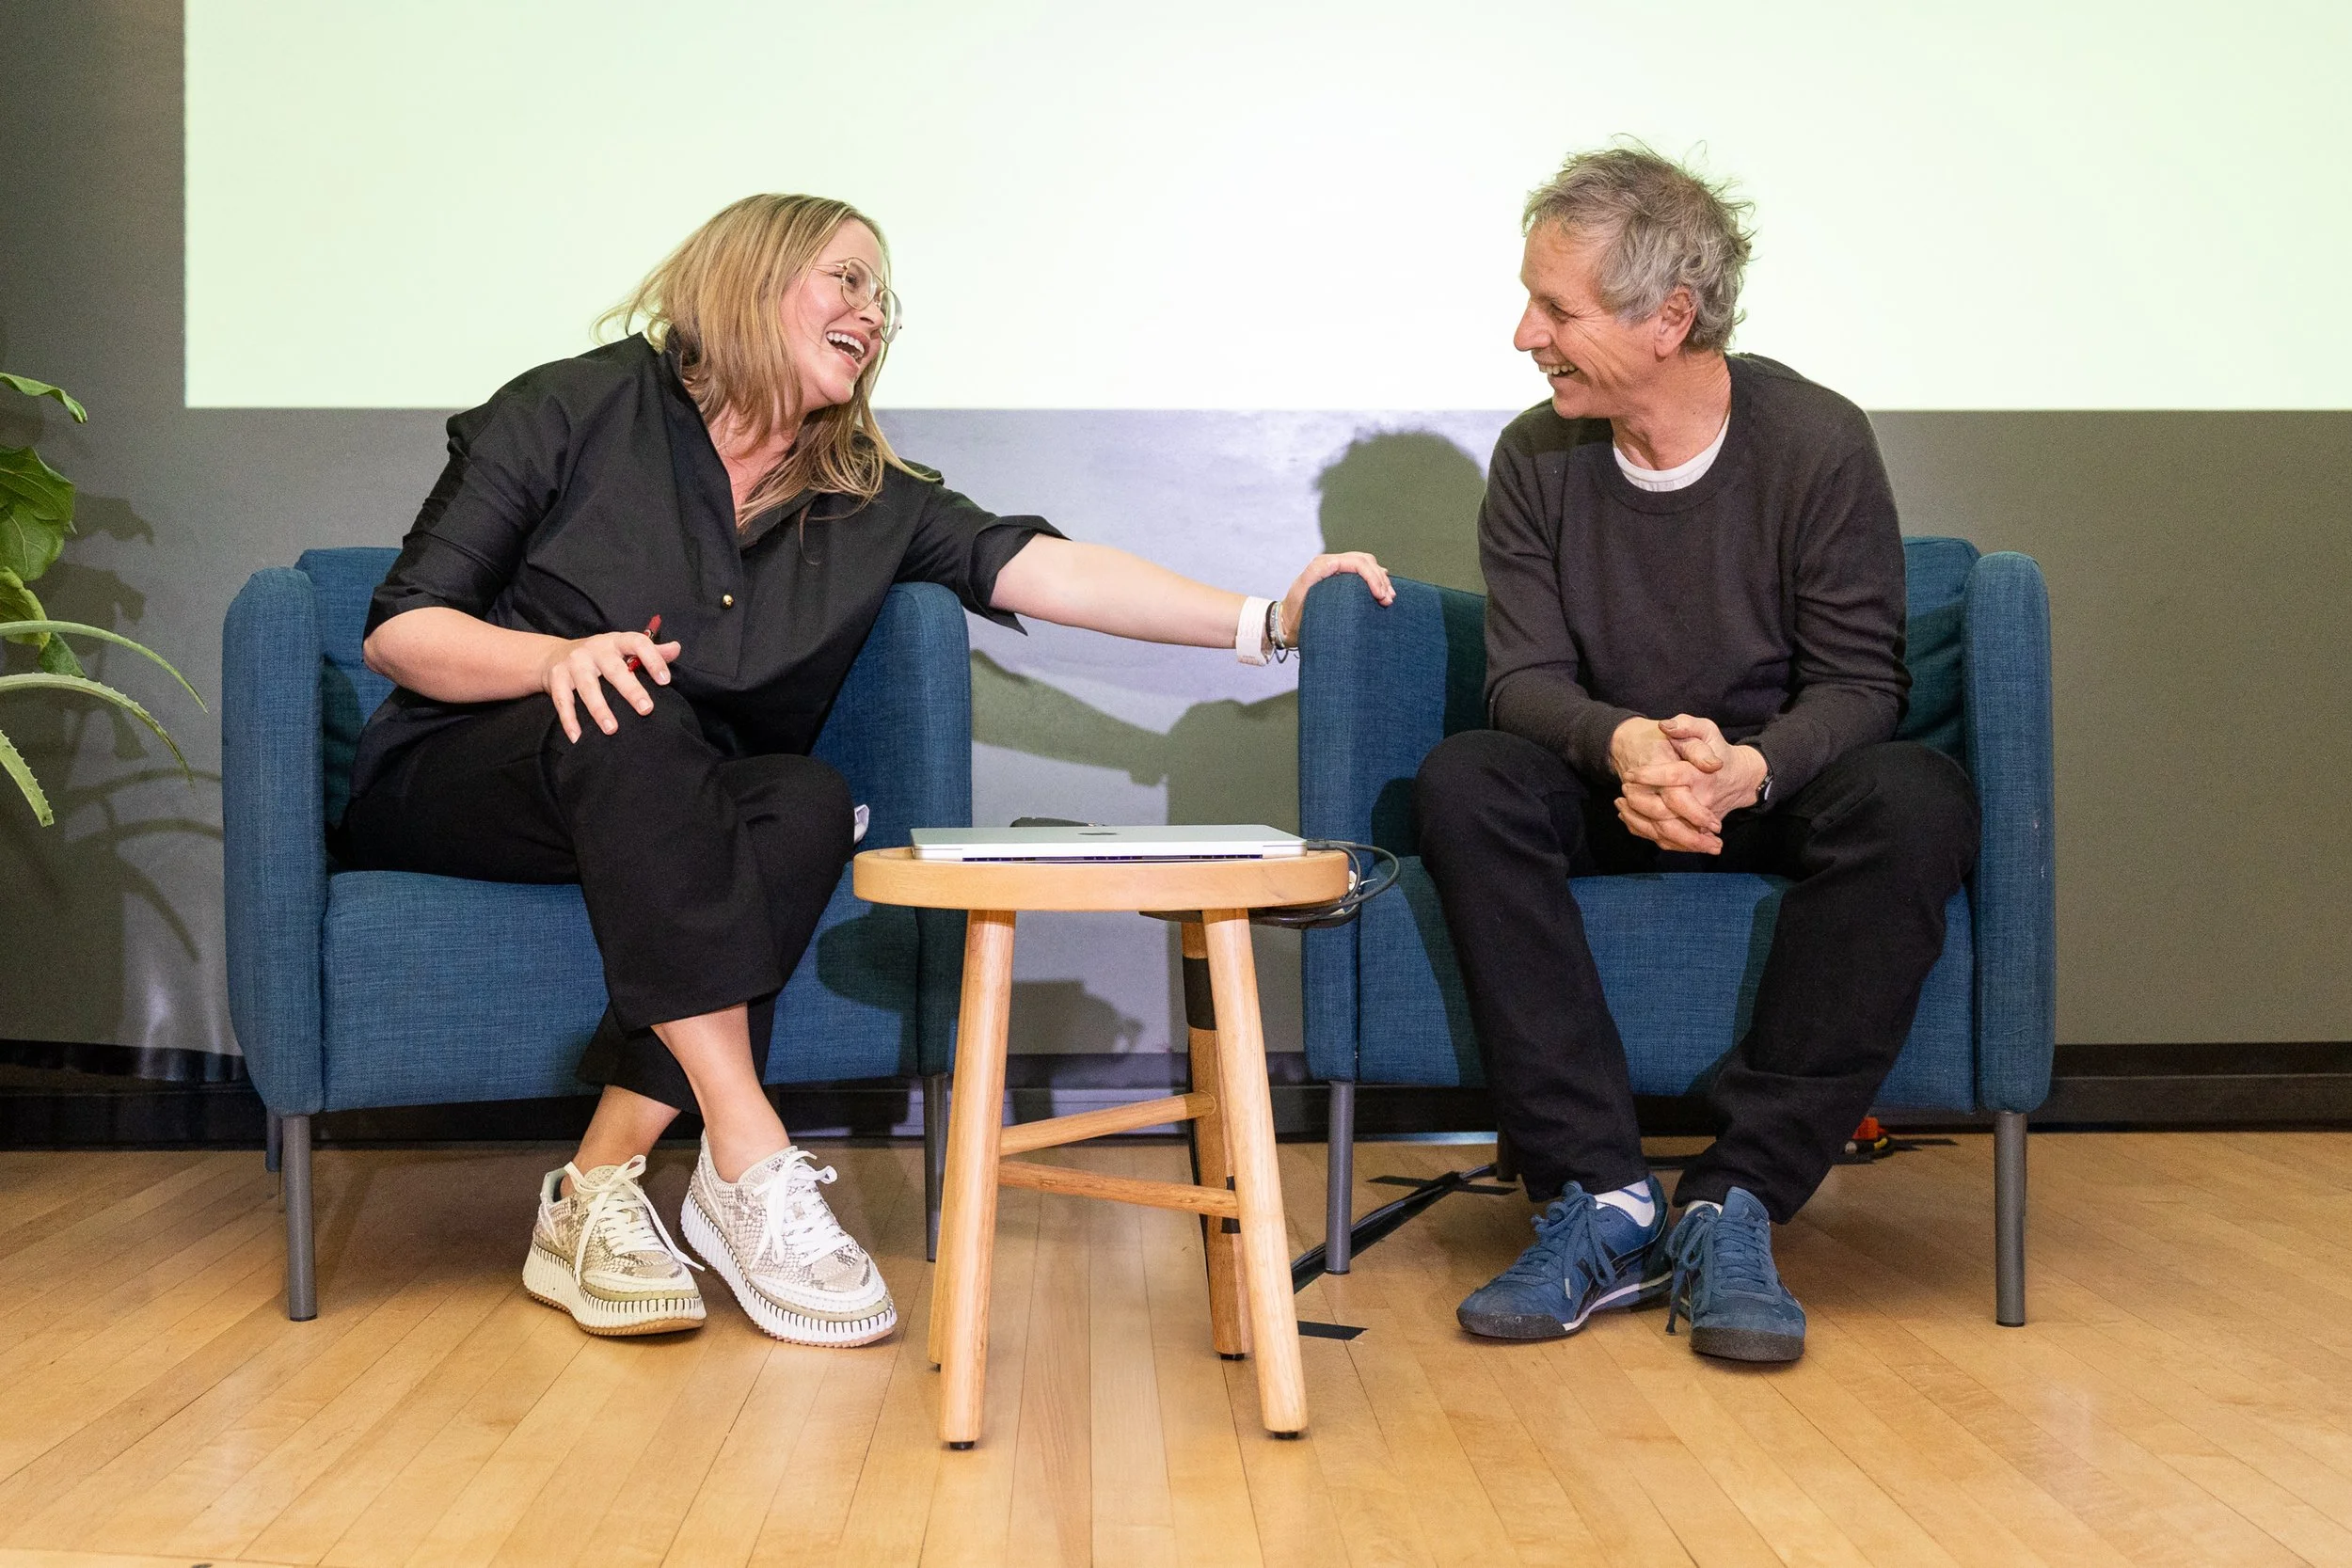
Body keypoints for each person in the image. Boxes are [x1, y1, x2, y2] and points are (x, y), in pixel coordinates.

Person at [342, 194, 1392, 1347]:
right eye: (846, 279)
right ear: (749, 277)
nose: (872, 311)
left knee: (800, 795)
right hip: (463, 777)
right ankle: (748, 1154)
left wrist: (1267, 617)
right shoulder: (573, 405)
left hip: (662, 801)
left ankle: (594, 1189)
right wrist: (557, 659)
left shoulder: (869, 495)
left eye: (883, 296)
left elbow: (1056, 572)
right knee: (633, 708)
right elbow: (403, 629)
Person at [1418, 146, 1977, 1363]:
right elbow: (1520, 681)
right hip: (1608, 775)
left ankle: (1738, 1197)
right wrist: (1624, 743)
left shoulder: (1817, 442)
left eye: (1556, 309)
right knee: (1463, 781)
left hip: (1771, 777)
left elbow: (1863, 683)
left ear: (1669, 317)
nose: (1525, 333)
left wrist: (1748, 767)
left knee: (1919, 798)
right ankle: (1603, 1198)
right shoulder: (1534, 460)